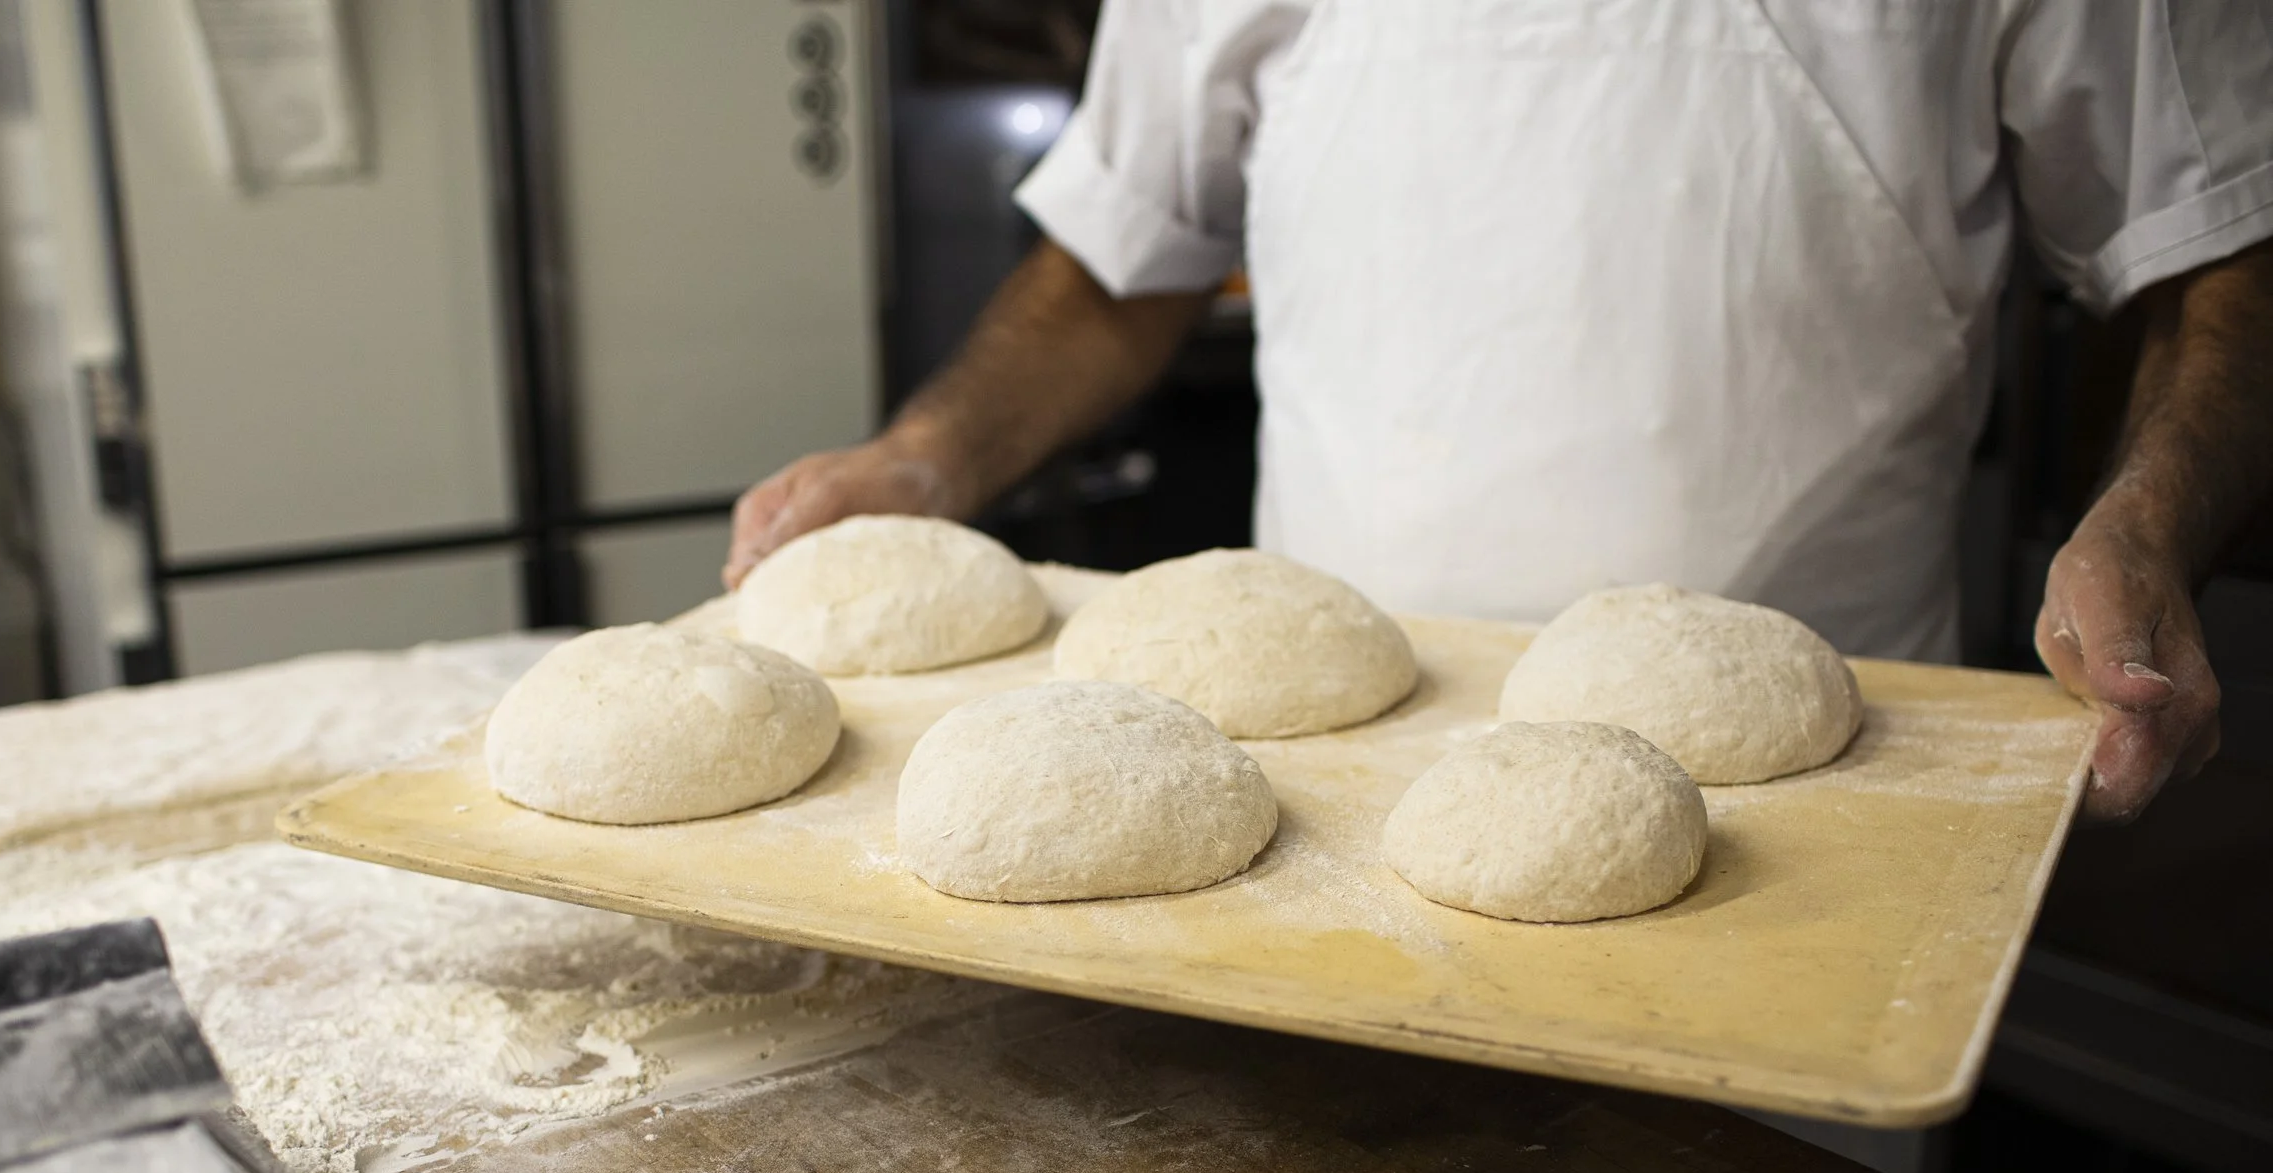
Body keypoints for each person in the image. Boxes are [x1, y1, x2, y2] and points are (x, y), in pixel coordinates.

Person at [728, 0, 2273, 824]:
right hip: (1306, 774)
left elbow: (2222, 246)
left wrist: (2149, 520)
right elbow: (1117, 266)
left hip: (1820, 781)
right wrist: (924, 457)